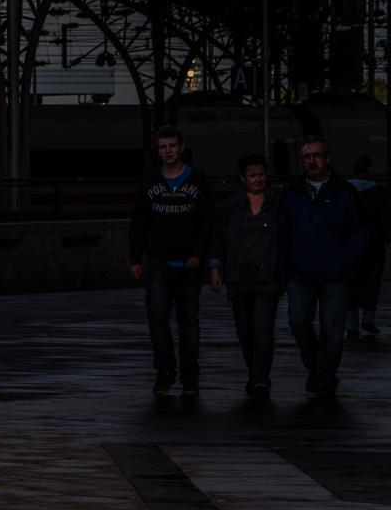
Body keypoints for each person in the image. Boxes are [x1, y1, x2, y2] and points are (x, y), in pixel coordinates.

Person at [128, 125, 215, 396]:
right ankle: (165, 371)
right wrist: (135, 258)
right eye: (163, 146)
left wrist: (198, 254)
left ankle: (190, 375)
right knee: (157, 320)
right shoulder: (150, 183)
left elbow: (208, 222)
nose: (167, 151)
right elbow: (139, 222)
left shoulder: (198, 180)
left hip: (189, 265)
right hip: (158, 264)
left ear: (182, 147)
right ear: (159, 150)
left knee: (189, 322)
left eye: (172, 146)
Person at [277, 135, 366, 399]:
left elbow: (359, 230)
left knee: (332, 329)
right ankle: (317, 368)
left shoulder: (345, 192)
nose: (311, 161)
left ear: (327, 158)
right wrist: (282, 271)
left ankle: (325, 378)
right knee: (298, 321)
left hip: (334, 272)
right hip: (299, 272)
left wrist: (346, 260)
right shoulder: (293, 194)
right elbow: (283, 234)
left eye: (316, 156)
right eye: (307, 156)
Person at [208, 153, 284, 398]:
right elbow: (219, 240)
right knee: (244, 331)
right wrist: (215, 270)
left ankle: (261, 379)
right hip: (238, 278)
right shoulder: (230, 207)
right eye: (252, 175)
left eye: (261, 174)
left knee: (262, 329)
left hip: (268, 278)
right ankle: (254, 374)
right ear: (243, 177)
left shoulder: (279, 204)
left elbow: (288, 239)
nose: (258, 179)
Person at [346, 156, 391, 338]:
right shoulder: (377, 191)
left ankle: (351, 324)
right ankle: (368, 319)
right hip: (373, 244)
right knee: (372, 281)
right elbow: (385, 218)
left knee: (349, 283)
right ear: (369, 169)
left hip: (350, 245)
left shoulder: (345, 190)